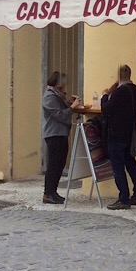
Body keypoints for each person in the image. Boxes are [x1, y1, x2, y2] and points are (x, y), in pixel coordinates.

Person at [101, 64, 136, 209]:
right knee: (131, 163)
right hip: (131, 134)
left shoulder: (119, 92)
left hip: (117, 134)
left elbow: (106, 109)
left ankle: (123, 198)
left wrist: (105, 96)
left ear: (118, 75)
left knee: (118, 167)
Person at [42, 71, 80, 204]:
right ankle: (48, 193)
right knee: (54, 164)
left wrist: (70, 103)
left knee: (60, 163)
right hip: (54, 134)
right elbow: (60, 115)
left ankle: (53, 191)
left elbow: (62, 108)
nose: (65, 84)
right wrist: (72, 107)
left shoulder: (58, 95)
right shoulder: (49, 96)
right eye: (63, 81)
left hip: (61, 133)